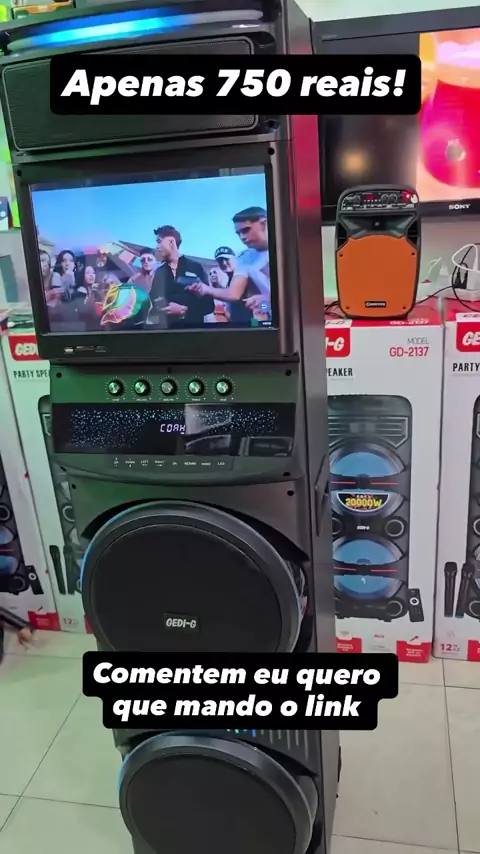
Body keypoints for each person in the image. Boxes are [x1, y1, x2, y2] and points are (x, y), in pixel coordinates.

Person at [187, 208, 271, 322]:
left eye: (246, 230)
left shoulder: (290, 244)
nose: (242, 237)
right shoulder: (244, 259)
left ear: (264, 224)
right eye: (238, 233)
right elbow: (233, 293)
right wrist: (205, 289)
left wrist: (269, 297)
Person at [149, 225, 214, 327]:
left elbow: (209, 305)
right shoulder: (159, 272)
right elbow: (153, 303)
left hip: (193, 332)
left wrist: (184, 310)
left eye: (159, 241)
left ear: (171, 242)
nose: (157, 247)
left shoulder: (195, 267)